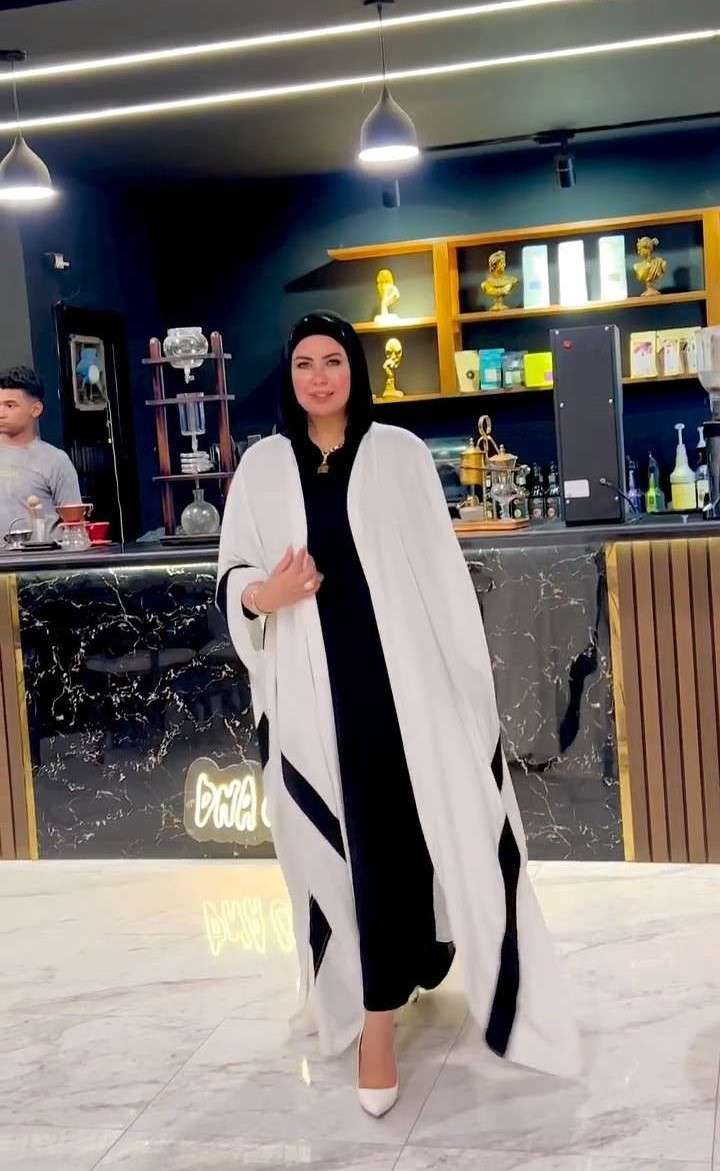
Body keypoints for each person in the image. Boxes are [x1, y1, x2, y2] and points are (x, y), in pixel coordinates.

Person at [217, 312, 580, 1118]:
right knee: (351, 842)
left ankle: (401, 981)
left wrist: (460, 689)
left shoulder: (399, 454)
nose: (319, 377)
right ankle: (378, 1007)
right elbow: (234, 571)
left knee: (409, 833)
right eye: (304, 363)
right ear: (289, 375)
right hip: (314, 694)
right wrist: (265, 593)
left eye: (333, 361)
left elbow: (440, 576)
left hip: (405, 688)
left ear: (355, 369)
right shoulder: (264, 468)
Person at [0, 366, 82, 537]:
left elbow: (75, 527)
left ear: (35, 409)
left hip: (43, 553)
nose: (1, 413)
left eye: (10, 405)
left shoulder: (55, 460)